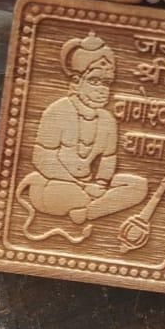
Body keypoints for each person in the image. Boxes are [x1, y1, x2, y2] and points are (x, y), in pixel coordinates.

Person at [16, 32, 147, 241]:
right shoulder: (57, 111)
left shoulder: (107, 120)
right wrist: (85, 187)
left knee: (139, 186)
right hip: (54, 185)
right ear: (77, 82)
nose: (103, 90)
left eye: (107, 83)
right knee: (73, 194)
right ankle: (92, 207)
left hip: (89, 185)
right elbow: (42, 159)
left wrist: (102, 184)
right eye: (95, 81)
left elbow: (108, 159)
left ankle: (86, 213)